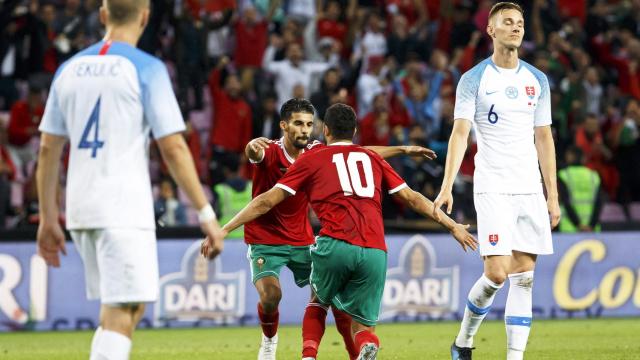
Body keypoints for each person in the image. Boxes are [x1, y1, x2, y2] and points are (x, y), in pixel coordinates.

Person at [204, 103, 477, 360]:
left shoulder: (315, 155)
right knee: (284, 299)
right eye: (298, 123)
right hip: (361, 248)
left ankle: (313, 355)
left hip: (319, 241)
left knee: (321, 301)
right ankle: (285, 344)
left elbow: (269, 198)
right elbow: (412, 197)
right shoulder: (283, 151)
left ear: (323, 130)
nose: (304, 129)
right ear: (284, 126)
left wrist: (224, 228)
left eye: (309, 124)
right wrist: (452, 224)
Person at [36, 1, 224, 359]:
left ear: (103, 16)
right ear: (145, 17)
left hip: (80, 209)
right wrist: (206, 213)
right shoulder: (146, 68)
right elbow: (173, 147)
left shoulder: (68, 69)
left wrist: (48, 217)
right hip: (122, 207)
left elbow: (48, 148)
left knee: (120, 308)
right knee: (125, 309)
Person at [431, 3, 561, 360]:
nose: (516, 28)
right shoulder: (474, 79)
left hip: (529, 187)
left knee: (525, 277)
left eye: (519, 23)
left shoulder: (537, 80)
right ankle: (463, 340)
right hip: (492, 185)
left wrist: (552, 195)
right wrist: (446, 186)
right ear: (491, 30)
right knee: (497, 273)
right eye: (507, 22)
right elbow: (460, 133)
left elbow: (544, 138)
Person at [558, 146, 603, 233]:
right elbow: (599, 203)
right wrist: (591, 225)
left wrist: (578, 224)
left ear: (569, 157)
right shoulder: (594, 176)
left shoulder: (563, 175)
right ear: (583, 158)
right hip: (592, 230)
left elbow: (565, 202)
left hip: (569, 229)